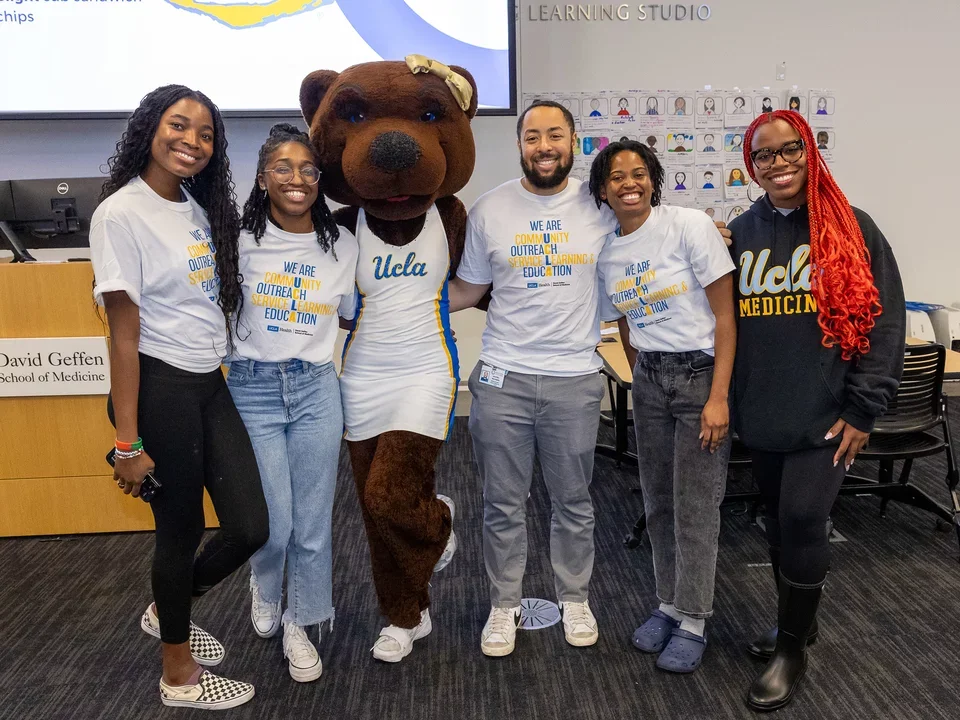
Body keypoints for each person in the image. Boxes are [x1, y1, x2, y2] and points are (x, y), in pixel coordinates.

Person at [90, 84, 268, 710]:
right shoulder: (120, 213)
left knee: (250, 524)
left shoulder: (196, 208)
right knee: (181, 527)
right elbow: (123, 336)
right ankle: (178, 676)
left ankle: (171, 603)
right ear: (149, 128)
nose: (192, 141)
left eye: (206, 134)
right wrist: (127, 443)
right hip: (157, 385)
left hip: (205, 382)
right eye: (178, 125)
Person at [729, 110, 905, 711]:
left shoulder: (853, 228)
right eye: (764, 156)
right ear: (751, 166)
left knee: (804, 517)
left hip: (828, 413)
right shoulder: (741, 231)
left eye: (788, 151)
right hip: (764, 411)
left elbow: (885, 324)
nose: (778, 164)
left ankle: (793, 649)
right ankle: (794, 625)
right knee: (778, 522)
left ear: (810, 150)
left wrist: (863, 410)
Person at [448, 99, 613, 657]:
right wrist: (396, 297)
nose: (545, 146)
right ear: (519, 144)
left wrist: (709, 236)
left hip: (574, 378)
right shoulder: (491, 210)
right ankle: (504, 605)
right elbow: (468, 290)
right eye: (533, 136)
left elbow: (654, 246)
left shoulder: (602, 207)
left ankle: (574, 597)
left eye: (556, 135)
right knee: (501, 503)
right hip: (503, 378)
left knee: (573, 500)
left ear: (573, 142)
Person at [589, 139, 736, 673]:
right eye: (616, 176)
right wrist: (639, 376)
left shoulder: (689, 226)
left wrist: (718, 396)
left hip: (700, 378)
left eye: (638, 173)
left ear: (653, 178)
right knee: (658, 500)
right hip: (650, 380)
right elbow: (626, 323)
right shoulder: (608, 251)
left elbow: (725, 317)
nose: (629, 182)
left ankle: (695, 618)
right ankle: (668, 604)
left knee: (696, 503)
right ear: (602, 190)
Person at [228, 124, 359, 683]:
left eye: (307, 169)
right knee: (273, 524)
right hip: (252, 388)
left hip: (314, 387)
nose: (297, 178)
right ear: (262, 179)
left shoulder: (342, 245)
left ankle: (301, 622)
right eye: (282, 167)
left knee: (312, 523)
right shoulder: (234, 240)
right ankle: (264, 586)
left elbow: (353, 313)